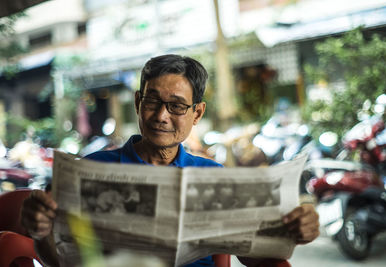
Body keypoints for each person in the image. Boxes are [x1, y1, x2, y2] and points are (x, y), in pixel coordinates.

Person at [21, 54, 319, 267]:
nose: (161, 116)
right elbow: (60, 260)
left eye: (176, 106)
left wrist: (291, 231)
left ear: (197, 114)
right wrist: (41, 233)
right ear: (139, 103)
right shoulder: (91, 169)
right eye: (152, 102)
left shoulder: (214, 175)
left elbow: (251, 257)